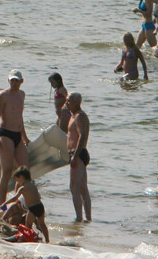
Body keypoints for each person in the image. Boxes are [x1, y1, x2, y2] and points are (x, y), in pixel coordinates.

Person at [0, 70, 29, 207]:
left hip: (18, 135)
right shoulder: (3, 95)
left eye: (17, 80)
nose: (14, 83)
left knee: (24, 171)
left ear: (22, 81)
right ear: (8, 81)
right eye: (12, 80)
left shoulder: (22, 95)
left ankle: (17, 203)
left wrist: (25, 137)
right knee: (7, 171)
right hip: (6, 134)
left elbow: (20, 117)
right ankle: (2, 205)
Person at [2, 167, 49, 243]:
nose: (18, 183)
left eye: (17, 180)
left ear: (22, 177)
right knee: (42, 224)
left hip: (32, 208)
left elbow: (15, 198)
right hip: (40, 206)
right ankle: (47, 240)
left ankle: (28, 237)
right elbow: (39, 196)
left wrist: (5, 203)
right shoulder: (33, 185)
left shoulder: (23, 188)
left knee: (28, 225)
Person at [66, 92, 91, 222]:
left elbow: (83, 136)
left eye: (69, 101)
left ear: (76, 102)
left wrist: (75, 156)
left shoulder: (80, 116)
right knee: (82, 186)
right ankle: (87, 218)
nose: (66, 103)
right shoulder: (73, 116)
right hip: (74, 153)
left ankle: (79, 217)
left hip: (78, 153)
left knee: (74, 186)